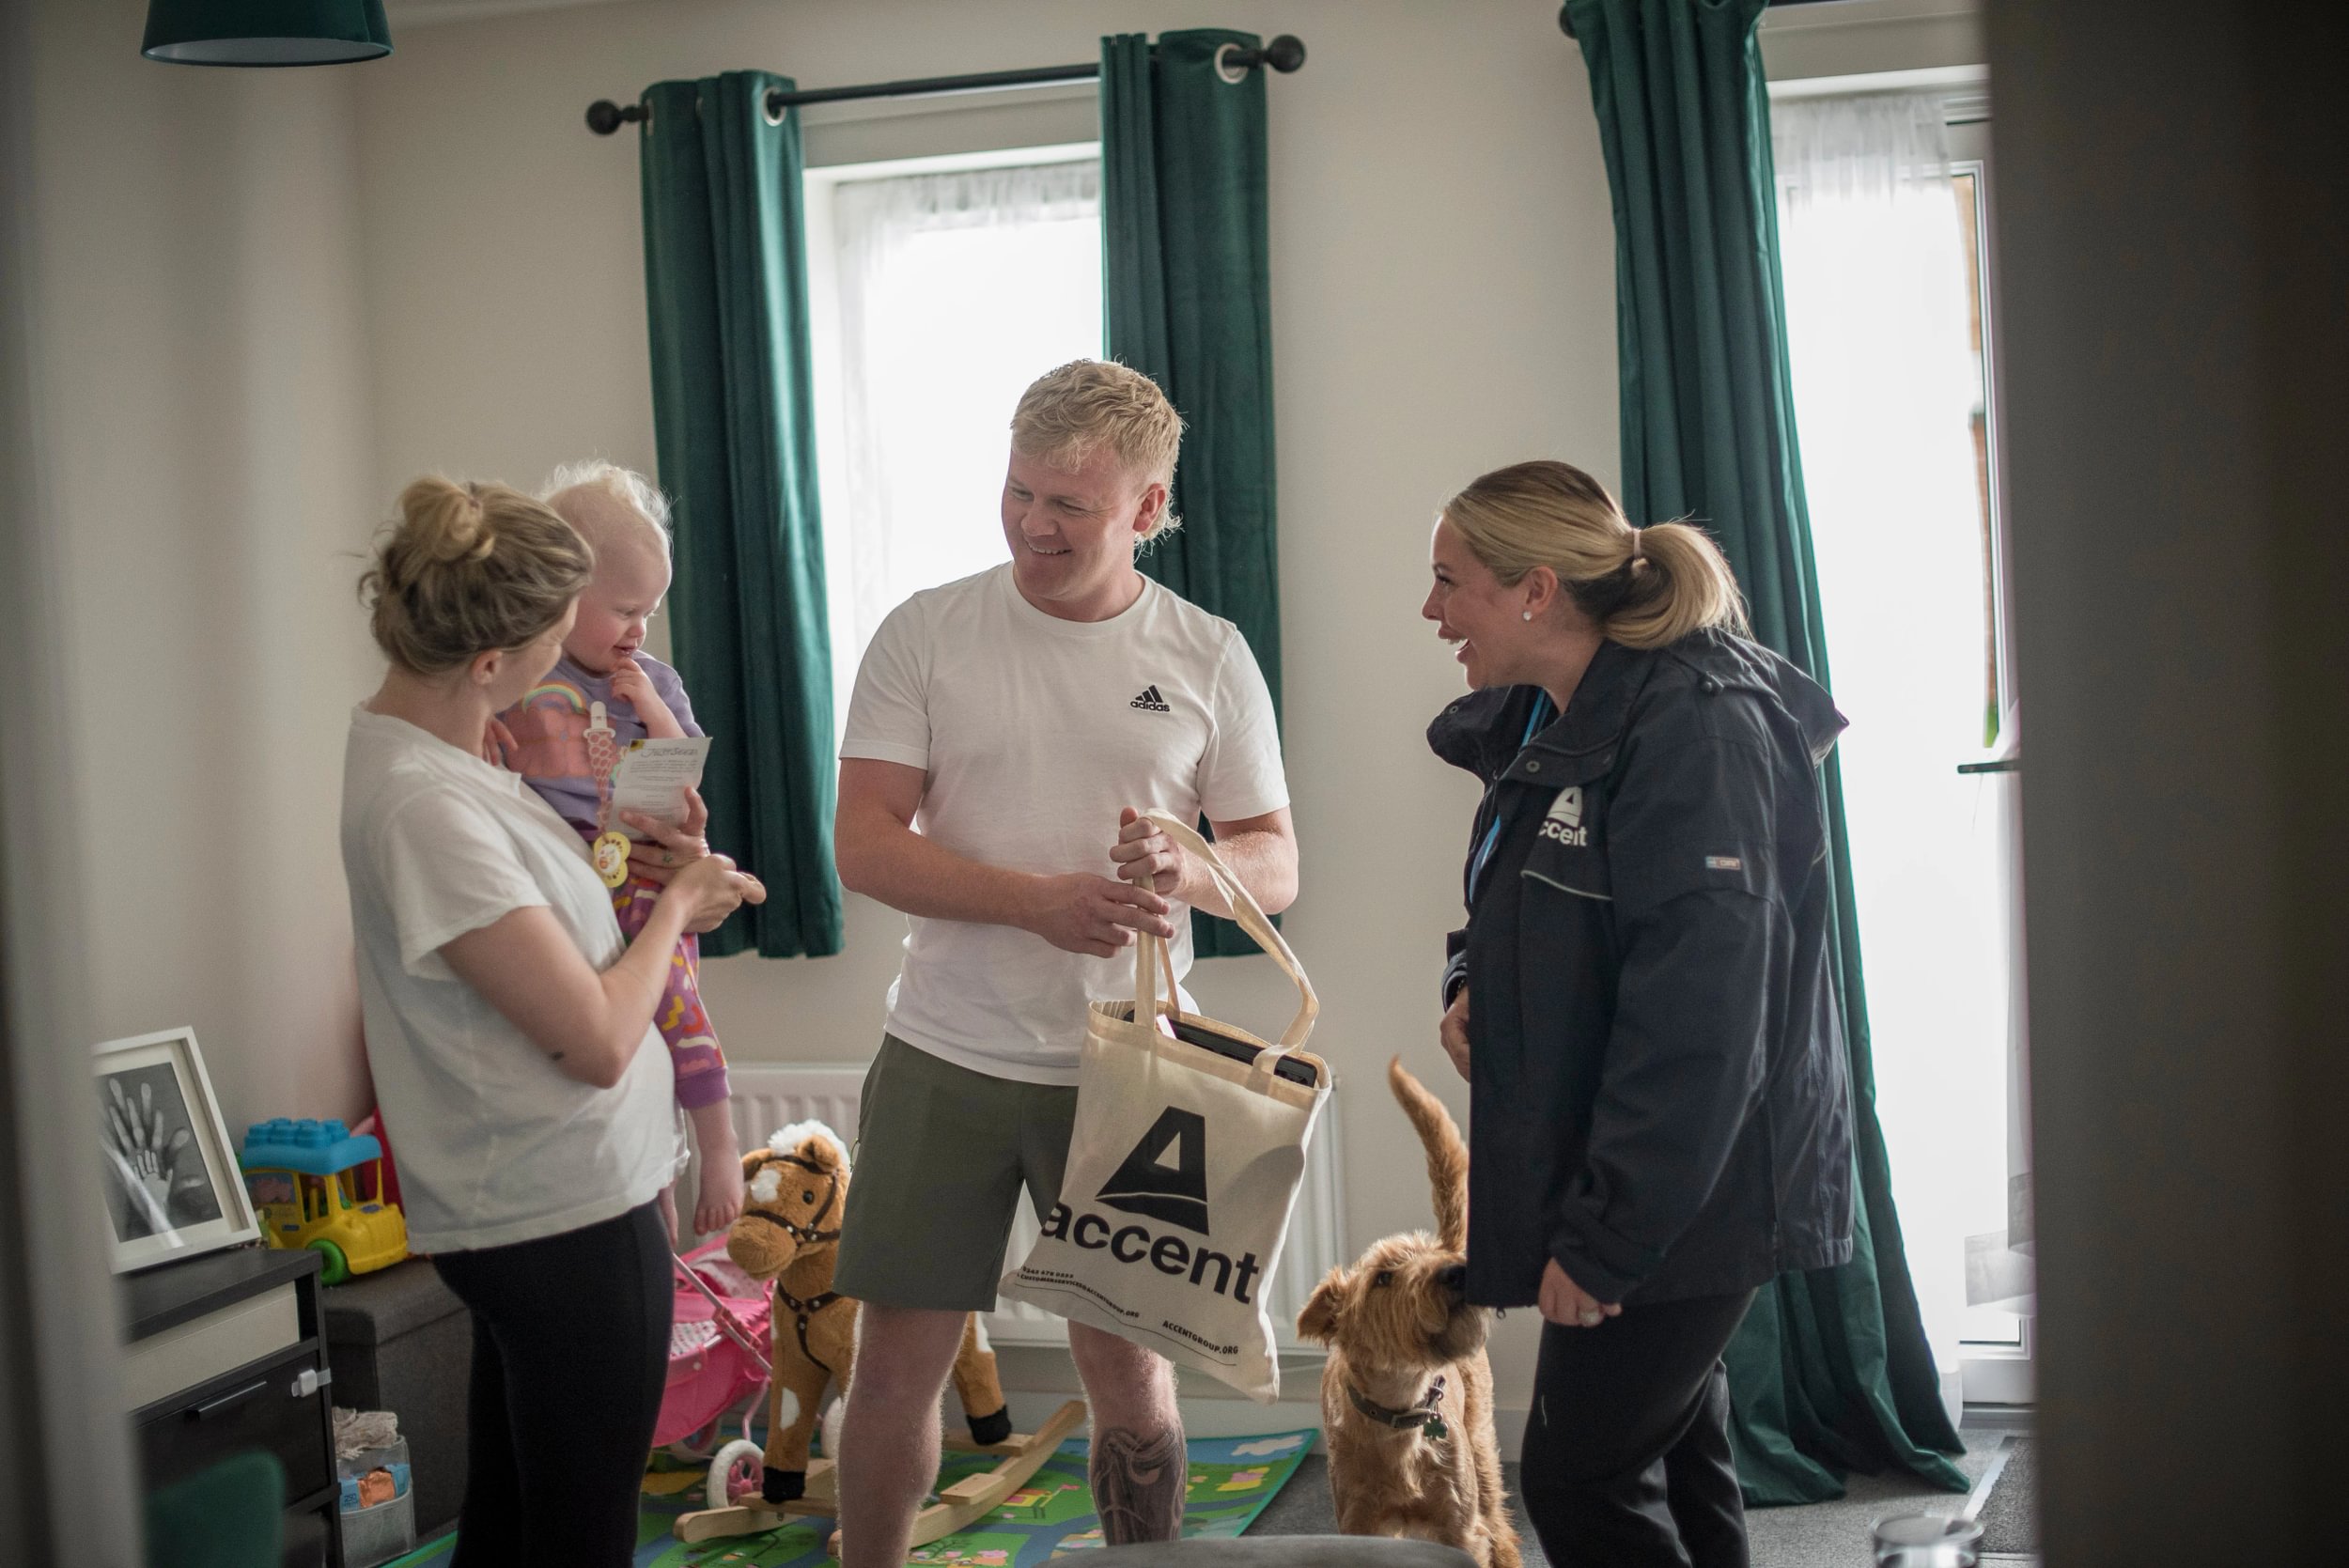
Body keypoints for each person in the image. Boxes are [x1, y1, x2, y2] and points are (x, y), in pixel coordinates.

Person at [829, 359, 1297, 1565]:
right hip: (948, 1049)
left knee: (1130, 1376)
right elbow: (865, 845)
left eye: (1070, 506)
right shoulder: (927, 630)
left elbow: (1275, 862)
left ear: (1146, 509)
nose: (1035, 524)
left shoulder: (1207, 651)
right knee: (893, 1370)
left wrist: (1190, 872)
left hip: (1135, 1069)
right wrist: (1034, 903)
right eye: (1019, 492)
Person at [1422, 460, 1856, 1568]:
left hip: (1694, 1174)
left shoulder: (1697, 727)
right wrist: (1469, 982)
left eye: (1449, 582)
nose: (1432, 612)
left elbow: (1704, 1017)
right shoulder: (1549, 711)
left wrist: (1610, 1235)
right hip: (1640, 1156)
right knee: (1672, 1445)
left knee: (1579, 1475)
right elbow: (1512, 895)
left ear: (1532, 589)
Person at [343, 476, 764, 1567]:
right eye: (547, 644)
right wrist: (681, 906)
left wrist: (658, 852)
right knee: (578, 1533)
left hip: (553, 1201)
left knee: (517, 1523)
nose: (567, 669)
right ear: (490, 660)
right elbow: (593, 1037)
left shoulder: (454, 765)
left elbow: (573, 910)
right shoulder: (426, 803)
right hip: (555, 1207)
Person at [494, 459, 742, 1242]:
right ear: (561, 597)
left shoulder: (650, 679)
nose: (641, 629)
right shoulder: (524, 677)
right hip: (566, 877)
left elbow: (685, 765)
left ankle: (719, 1140)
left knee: (674, 1009)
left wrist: (648, 710)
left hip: (640, 864)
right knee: (624, 1053)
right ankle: (654, 1191)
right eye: (626, 608)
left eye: (654, 609)